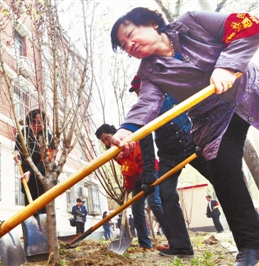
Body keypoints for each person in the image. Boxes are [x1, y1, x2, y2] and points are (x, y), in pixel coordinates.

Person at [110, 7, 259, 265]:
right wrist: (125, 131)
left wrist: (226, 65)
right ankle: (250, 246)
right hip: (214, 119)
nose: (130, 46)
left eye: (131, 35)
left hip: (246, 88)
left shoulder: (192, 22)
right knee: (222, 171)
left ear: (152, 23)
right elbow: (147, 103)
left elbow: (247, 25)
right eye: (124, 46)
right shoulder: (149, 72)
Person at [129, 75, 213, 257]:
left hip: (193, 143)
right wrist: (148, 177)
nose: (139, 95)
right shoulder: (143, 112)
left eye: (140, 90)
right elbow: (146, 146)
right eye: (136, 92)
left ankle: (252, 234)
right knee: (166, 193)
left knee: (222, 180)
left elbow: (198, 111)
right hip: (169, 155)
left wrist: (203, 139)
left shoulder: (173, 93)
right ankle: (182, 246)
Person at [96, 124, 169, 251]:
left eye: (107, 138)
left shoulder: (124, 143)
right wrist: (128, 185)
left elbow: (129, 167)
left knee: (154, 202)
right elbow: (127, 168)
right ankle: (145, 244)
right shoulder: (114, 152)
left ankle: (173, 238)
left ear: (114, 134)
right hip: (137, 178)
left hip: (150, 171)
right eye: (103, 141)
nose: (106, 142)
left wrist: (128, 185)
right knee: (136, 209)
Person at [13, 109, 53, 214]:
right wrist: (16, 152)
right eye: (33, 122)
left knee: (43, 213)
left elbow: (46, 162)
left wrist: (30, 172)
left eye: (39, 122)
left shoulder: (49, 138)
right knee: (30, 212)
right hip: (27, 180)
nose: (35, 125)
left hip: (42, 180)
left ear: (44, 123)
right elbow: (17, 145)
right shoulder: (23, 133)